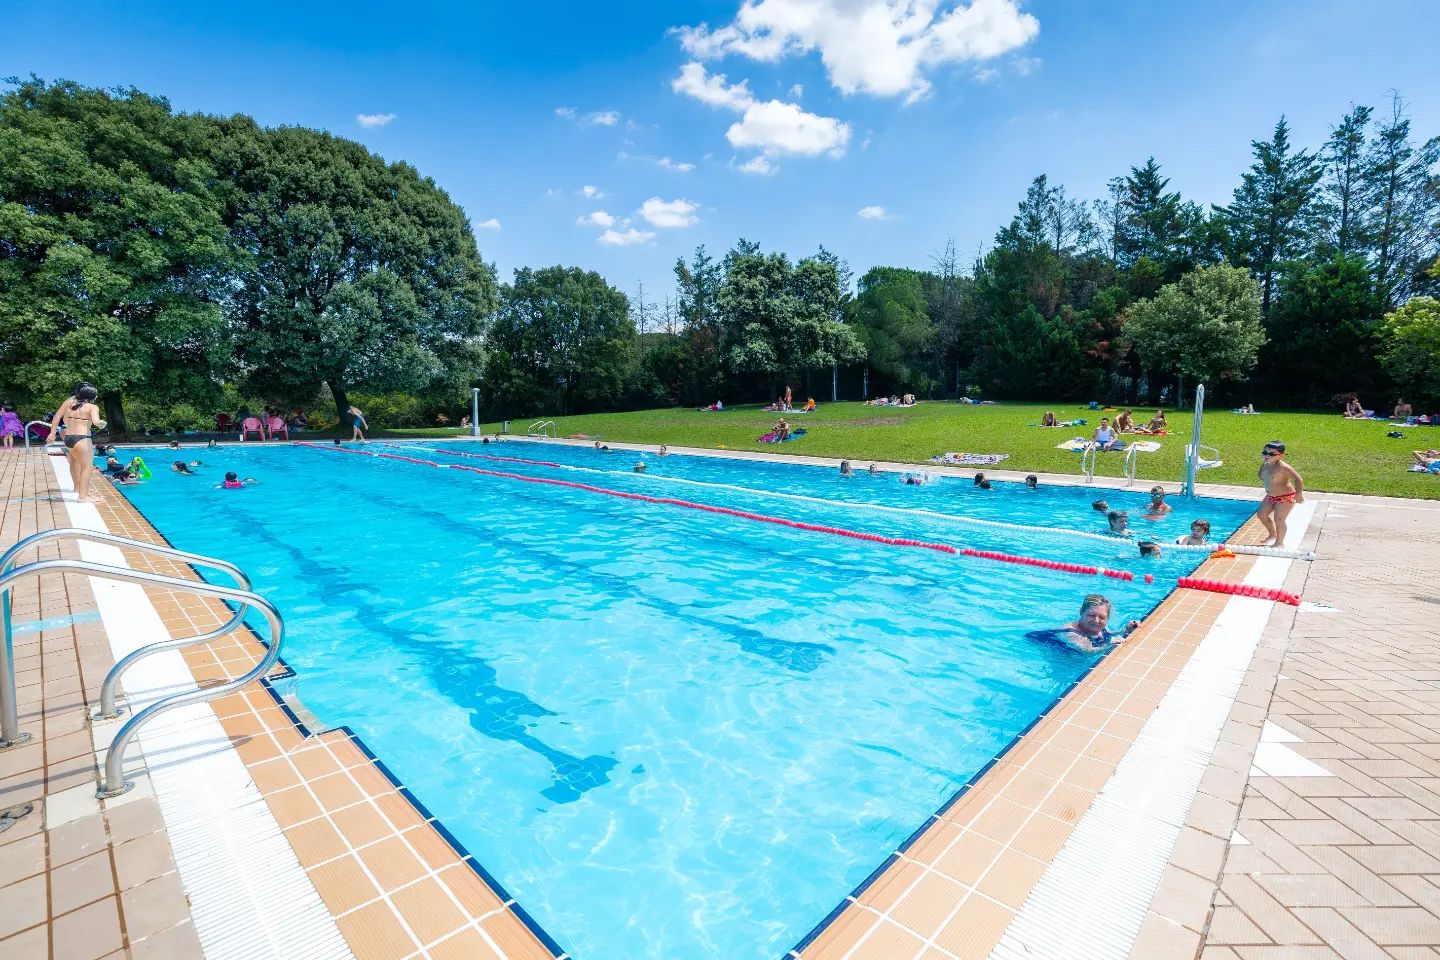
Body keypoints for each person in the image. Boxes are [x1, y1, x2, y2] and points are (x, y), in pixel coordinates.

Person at [48, 384, 106, 503]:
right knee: (87, 467)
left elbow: (58, 416)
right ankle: (82, 497)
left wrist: (52, 433)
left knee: (75, 460)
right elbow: (96, 422)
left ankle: (80, 489)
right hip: (82, 439)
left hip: (68, 438)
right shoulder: (92, 407)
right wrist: (102, 423)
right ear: (92, 397)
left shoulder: (70, 404)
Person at [1256, 440, 1304, 547]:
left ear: (1281, 455)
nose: (1267, 455)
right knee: (1261, 515)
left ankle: (1279, 542)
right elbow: (1260, 475)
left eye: (1272, 454)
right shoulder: (1266, 463)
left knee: (1279, 519)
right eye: (1264, 452)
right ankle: (1272, 535)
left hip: (1285, 497)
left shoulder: (1283, 467)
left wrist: (1299, 494)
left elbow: (1298, 479)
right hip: (1270, 496)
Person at [1058, 595, 1140, 654]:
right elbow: (1087, 651)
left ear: (1107, 618)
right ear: (1081, 612)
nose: (1096, 620)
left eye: (1102, 617)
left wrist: (1127, 630)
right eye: (1091, 615)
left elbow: (1108, 635)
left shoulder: (1100, 627)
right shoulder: (1070, 632)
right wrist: (1108, 645)